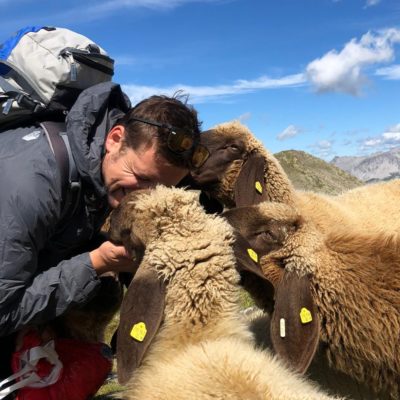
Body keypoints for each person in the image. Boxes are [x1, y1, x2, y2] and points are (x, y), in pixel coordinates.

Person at [0, 81, 207, 381]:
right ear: (115, 138)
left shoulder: (101, 174)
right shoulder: (33, 184)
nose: (143, 198)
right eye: (141, 178)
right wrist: (96, 263)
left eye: (160, 188)